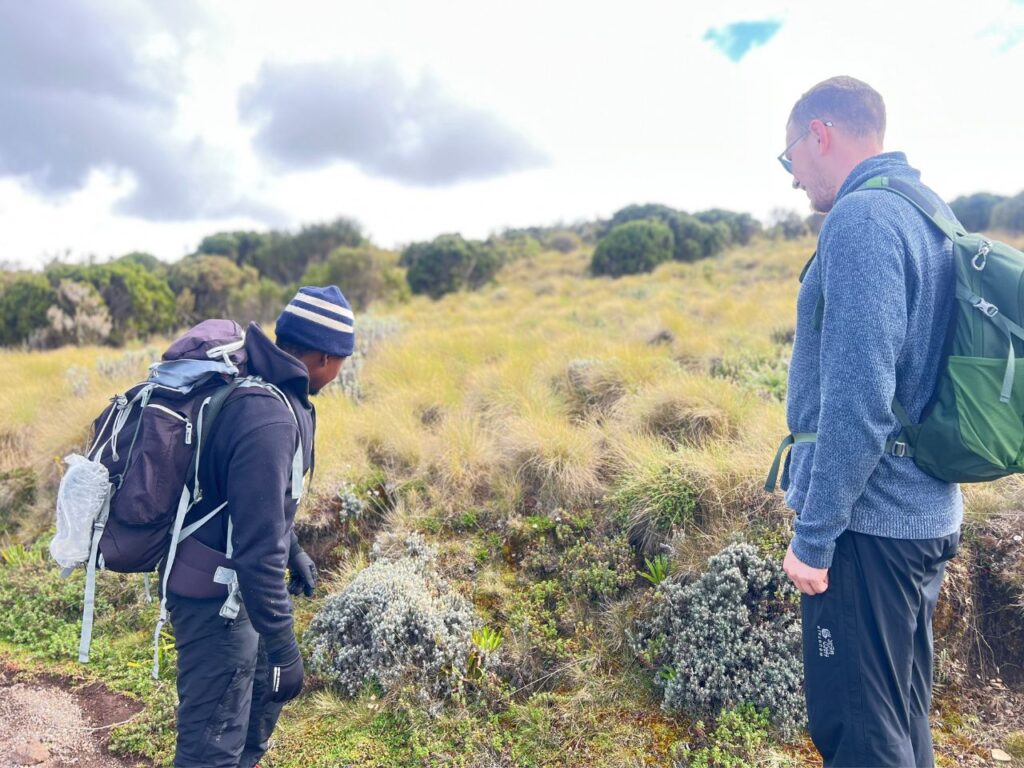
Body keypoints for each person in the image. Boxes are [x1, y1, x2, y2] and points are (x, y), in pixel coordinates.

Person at [777, 76, 962, 766]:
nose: (793, 177)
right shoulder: (926, 208)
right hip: (924, 514)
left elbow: (859, 398)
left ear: (818, 134)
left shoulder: (860, 220)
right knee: (901, 725)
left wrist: (815, 538)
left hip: (869, 527)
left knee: (859, 735)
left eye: (789, 153)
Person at [165, 285, 354, 767]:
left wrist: (295, 550)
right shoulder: (268, 417)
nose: (340, 373)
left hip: (231, 591)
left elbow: (253, 507)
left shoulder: (270, 396)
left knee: (246, 729)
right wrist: (287, 653)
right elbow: (256, 555)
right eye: (342, 362)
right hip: (216, 602)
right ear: (324, 357)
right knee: (210, 749)